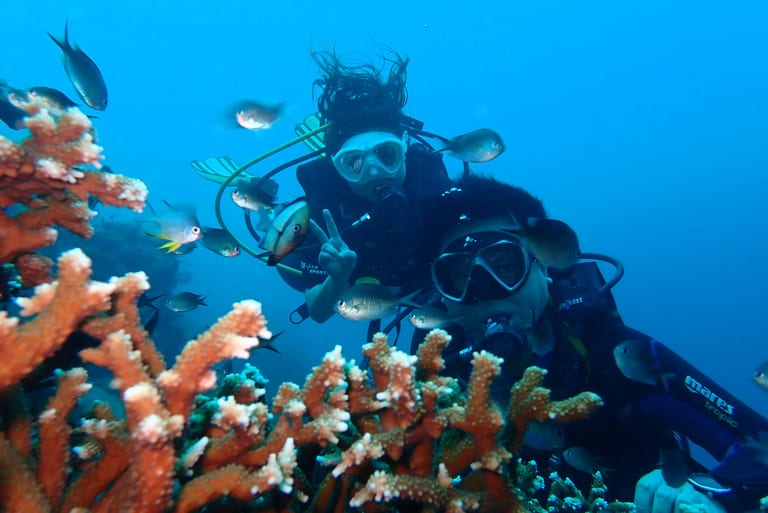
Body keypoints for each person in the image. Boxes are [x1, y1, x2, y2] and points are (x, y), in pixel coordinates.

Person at [412, 172, 768, 513]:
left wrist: (714, 494)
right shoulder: (428, 378)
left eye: (505, 266)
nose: (484, 290)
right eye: (459, 275)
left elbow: (758, 443)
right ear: (442, 295)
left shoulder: (616, 356)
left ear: (543, 265)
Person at [276, 49, 454, 324]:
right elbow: (319, 312)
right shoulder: (326, 207)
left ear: (404, 149)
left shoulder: (430, 186)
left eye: (386, 154)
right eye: (354, 162)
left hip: (431, 293)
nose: (373, 171)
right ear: (337, 167)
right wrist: (337, 278)